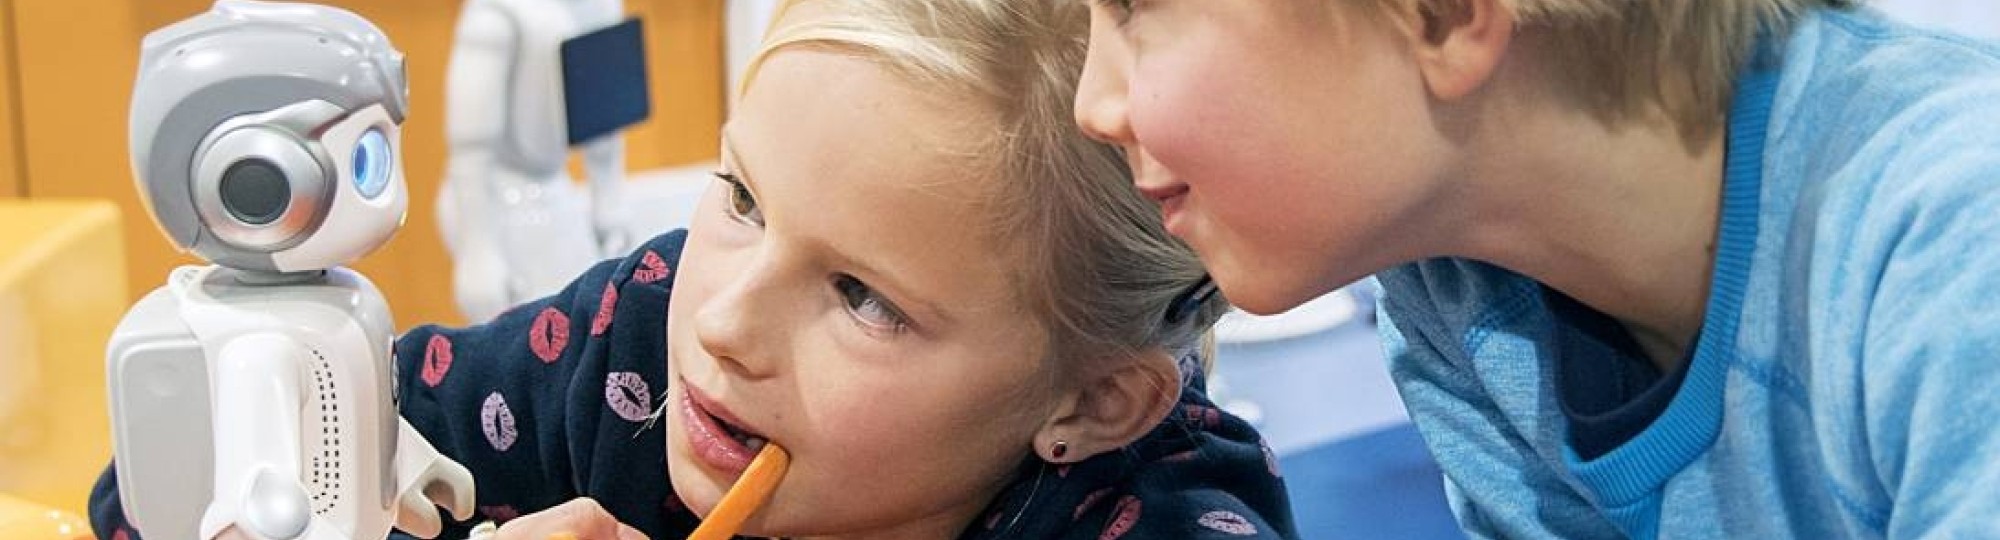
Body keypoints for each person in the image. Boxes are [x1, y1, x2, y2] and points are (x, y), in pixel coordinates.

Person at [89, 0, 1299, 538]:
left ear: (1087, 402)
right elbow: (154, 501)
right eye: (741, 199)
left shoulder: (1173, 515)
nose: (721, 319)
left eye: (862, 298)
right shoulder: (634, 338)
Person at [1073, 0, 2000, 537]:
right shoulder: (1456, 285)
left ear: (1442, 15)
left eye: (1134, 7)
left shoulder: (1957, 243)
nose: (1093, 104)